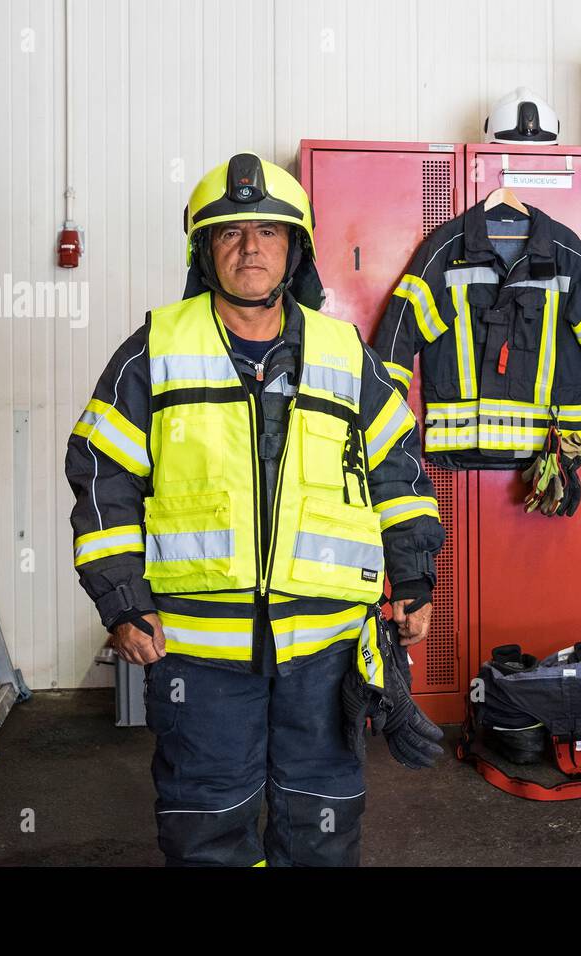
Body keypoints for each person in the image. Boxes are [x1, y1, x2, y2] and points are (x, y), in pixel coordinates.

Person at [65, 152, 445, 866]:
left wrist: (416, 578)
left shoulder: (343, 352)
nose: (250, 247)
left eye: (269, 231)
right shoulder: (155, 350)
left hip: (325, 649)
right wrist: (121, 601)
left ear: (294, 247)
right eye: (230, 232)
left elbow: (397, 464)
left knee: (322, 819)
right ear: (204, 250)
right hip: (199, 655)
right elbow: (99, 475)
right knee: (207, 822)